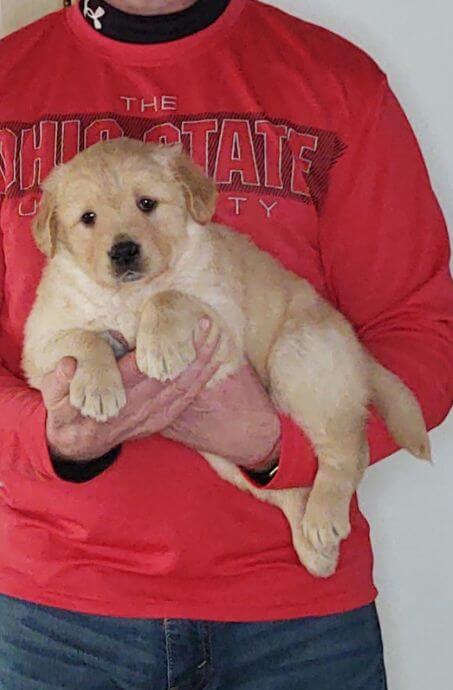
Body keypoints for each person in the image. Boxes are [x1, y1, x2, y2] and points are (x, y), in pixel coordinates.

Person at [0, 0, 451, 687]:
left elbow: (419, 331)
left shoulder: (335, 79)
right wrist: (46, 439)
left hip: (296, 619)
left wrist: (278, 448)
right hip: (55, 617)